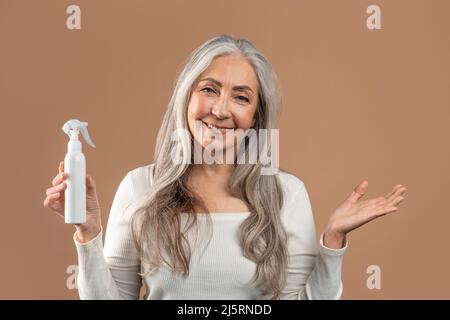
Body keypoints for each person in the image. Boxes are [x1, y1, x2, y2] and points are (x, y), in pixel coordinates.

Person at [43, 34, 407, 300]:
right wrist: (89, 233)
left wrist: (333, 240)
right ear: (187, 96)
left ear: (255, 117)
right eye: (209, 89)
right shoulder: (140, 187)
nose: (220, 110)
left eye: (241, 98)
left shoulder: (286, 194)